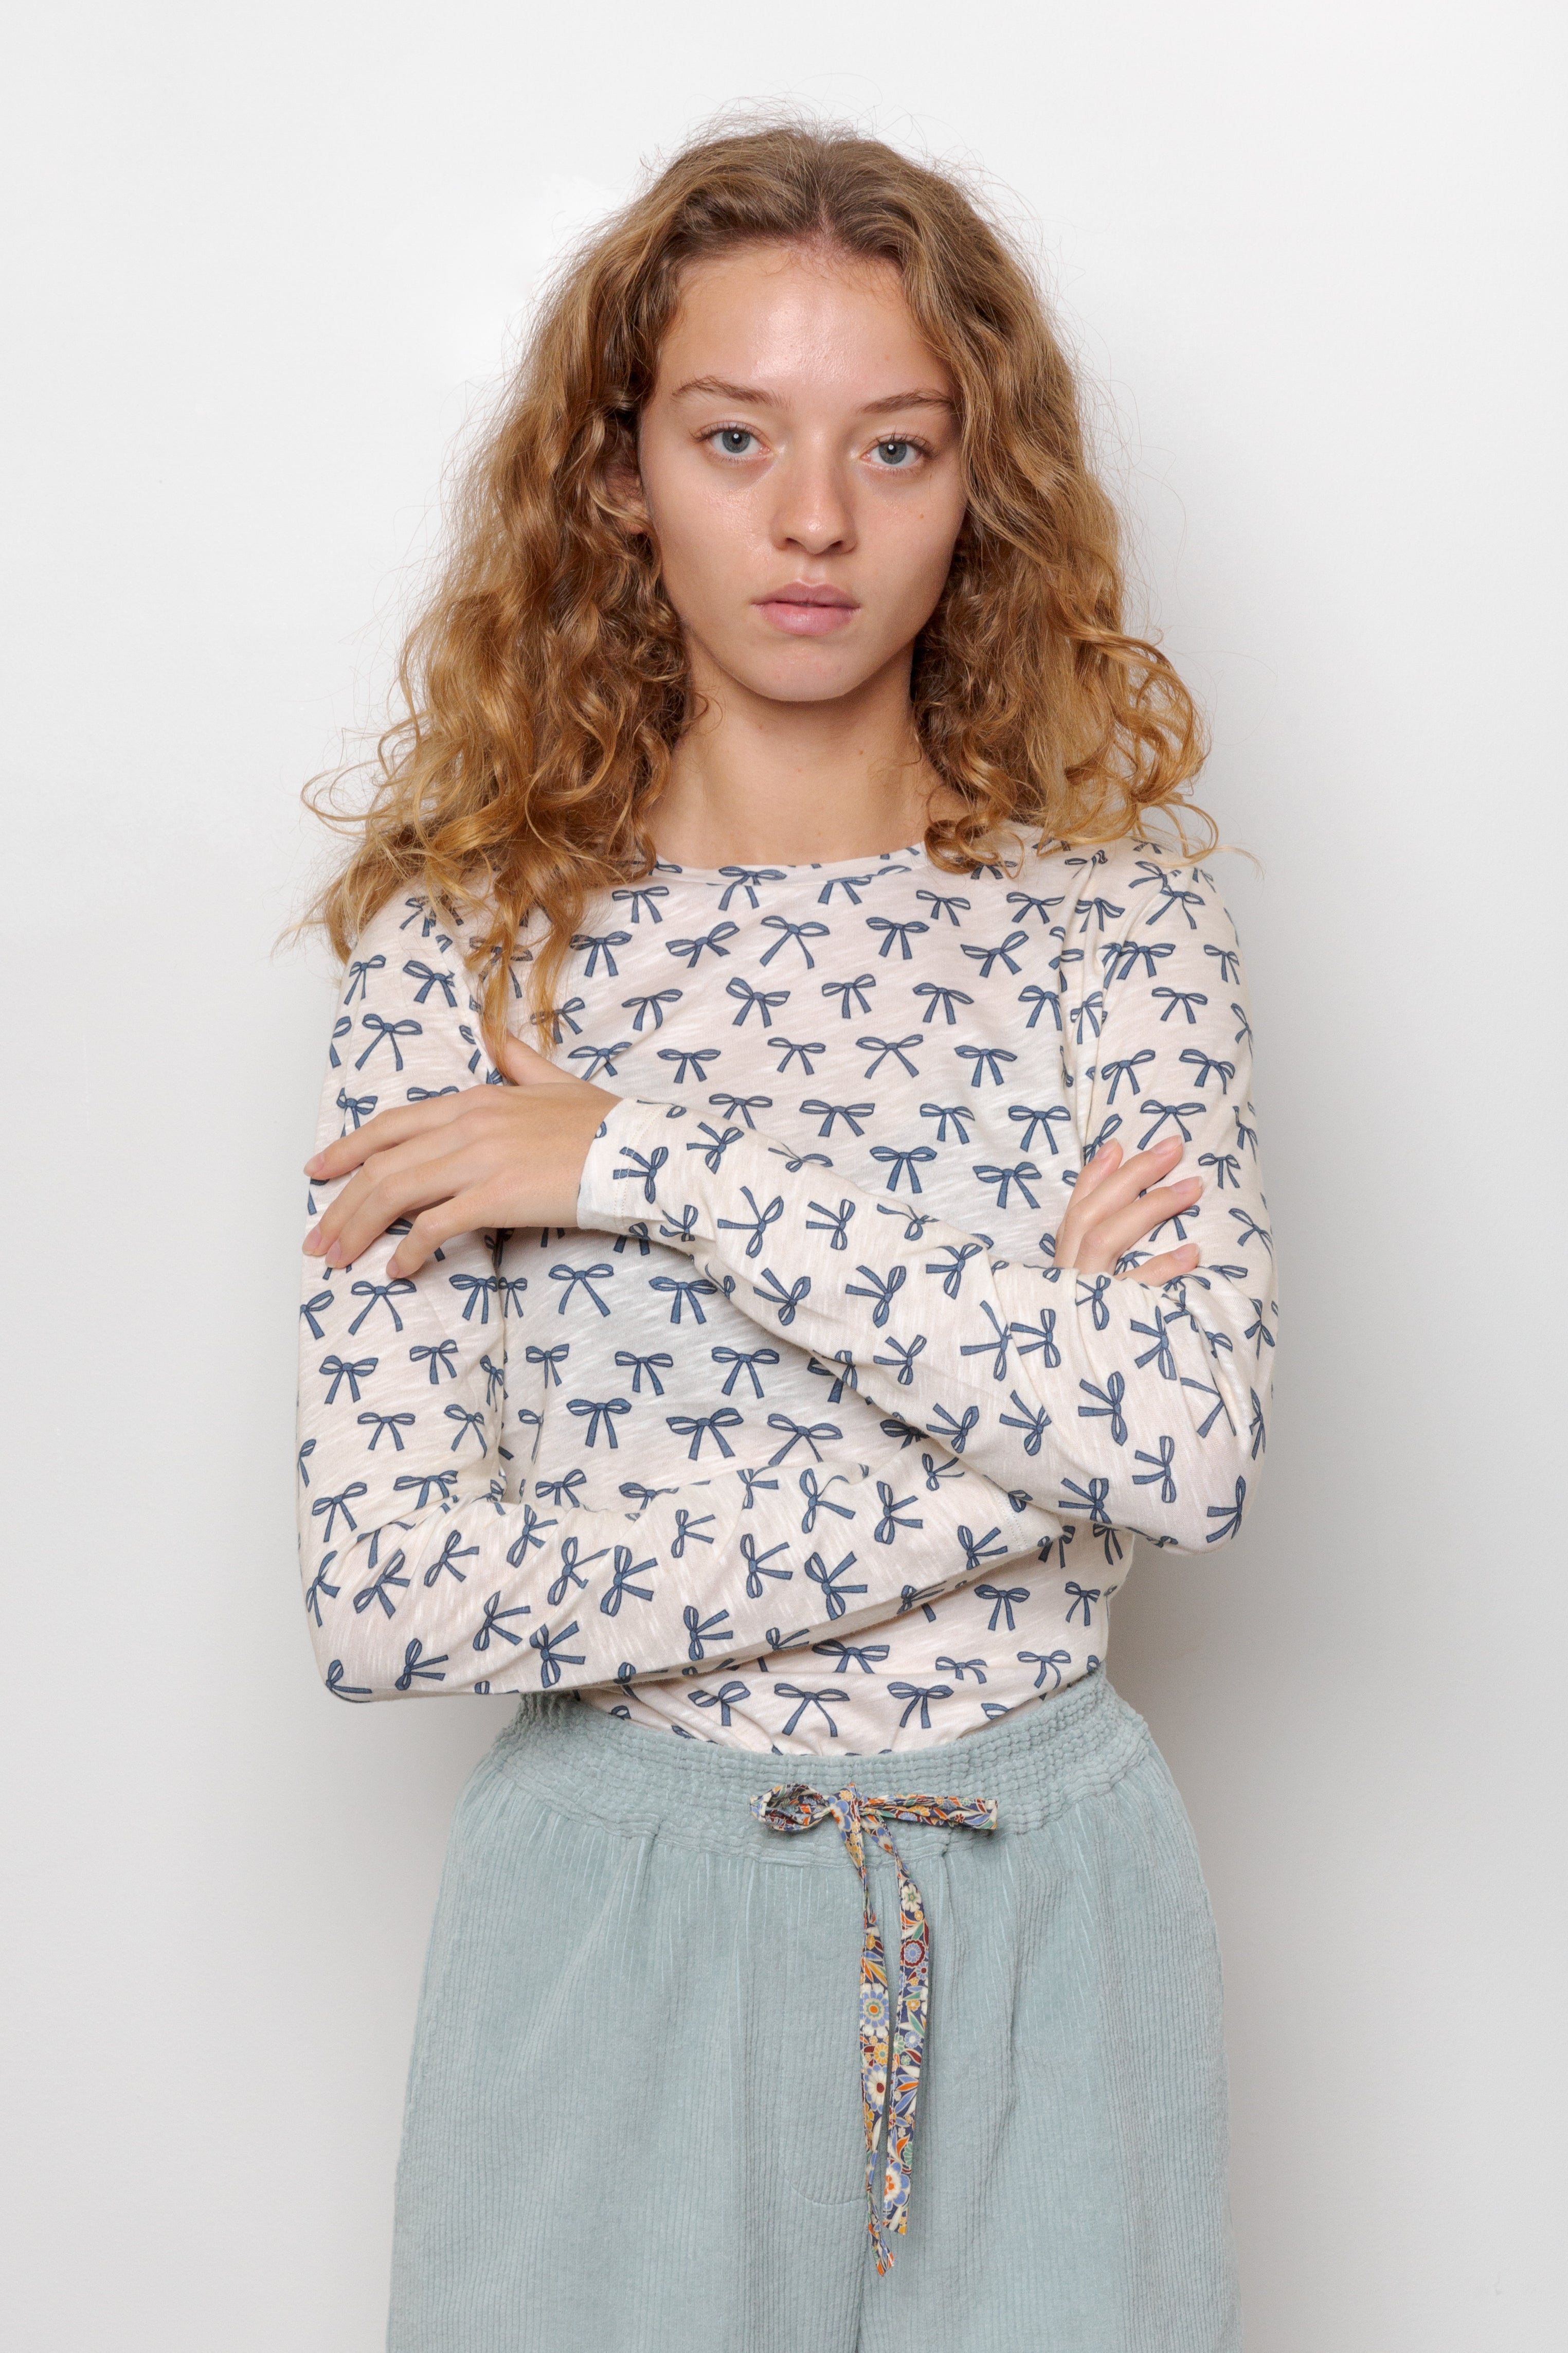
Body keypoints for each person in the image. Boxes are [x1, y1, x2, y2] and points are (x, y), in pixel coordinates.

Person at [295, 117, 1276, 2353]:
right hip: (612, 1918)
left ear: (981, 485)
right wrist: (1034, 1456)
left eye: (897, 446)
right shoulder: (459, 967)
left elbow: (1196, 1451)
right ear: (619, 471)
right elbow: (389, 1590)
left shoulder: (1109, 935)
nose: (814, 520)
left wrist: (651, 1160)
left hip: (1056, 1913)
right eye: (735, 436)